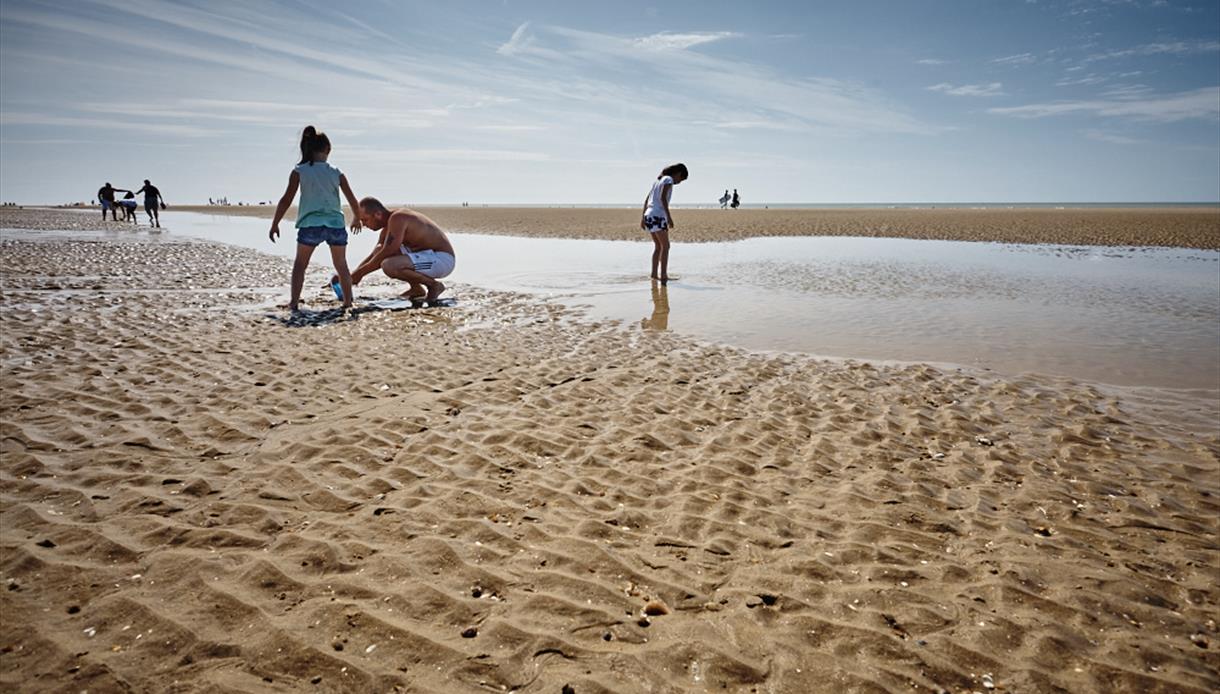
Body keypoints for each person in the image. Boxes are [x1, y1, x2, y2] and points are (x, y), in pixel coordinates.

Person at [268, 125, 362, 312]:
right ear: (327, 150)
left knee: (300, 265)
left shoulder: (300, 171)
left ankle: (294, 303)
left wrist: (275, 223)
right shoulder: (336, 172)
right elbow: (352, 198)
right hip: (335, 224)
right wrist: (356, 218)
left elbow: (286, 199)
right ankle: (348, 303)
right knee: (342, 265)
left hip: (311, 225)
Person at [348, 198, 455, 304]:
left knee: (389, 265)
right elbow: (376, 254)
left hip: (442, 260)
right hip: (426, 255)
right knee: (379, 250)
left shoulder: (398, 218)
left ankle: (433, 285)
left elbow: (389, 251)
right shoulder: (389, 224)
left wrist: (360, 274)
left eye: (365, 220)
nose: (364, 225)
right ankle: (416, 289)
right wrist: (350, 276)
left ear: (378, 214)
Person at [639, 162, 688, 285]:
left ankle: (654, 274)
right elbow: (662, 198)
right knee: (666, 247)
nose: (679, 182)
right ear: (678, 173)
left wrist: (643, 217)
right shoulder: (668, 179)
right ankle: (664, 276)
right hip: (658, 215)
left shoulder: (657, 181)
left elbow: (647, 200)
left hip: (649, 214)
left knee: (658, 246)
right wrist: (669, 217)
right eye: (681, 179)